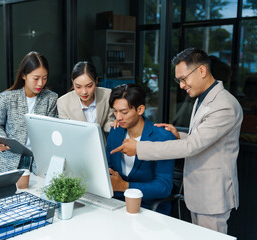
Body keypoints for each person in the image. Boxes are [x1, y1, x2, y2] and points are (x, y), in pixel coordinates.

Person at [111, 48, 243, 234]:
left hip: (212, 194)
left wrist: (139, 148)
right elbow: (204, 138)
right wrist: (179, 135)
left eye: (183, 79)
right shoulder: (203, 98)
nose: (181, 85)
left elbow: (192, 147)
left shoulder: (224, 106)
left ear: (202, 71)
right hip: (198, 191)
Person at [106, 84, 175, 215]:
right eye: (115, 111)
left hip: (147, 207)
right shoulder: (115, 132)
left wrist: (125, 186)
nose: (118, 117)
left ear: (140, 109)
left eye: (124, 112)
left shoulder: (162, 137)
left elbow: (164, 187)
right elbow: (107, 168)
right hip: (116, 203)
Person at [0, 51, 58, 173]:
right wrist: (2, 139)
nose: (40, 83)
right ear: (23, 75)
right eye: (36, 78)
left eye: (44, 78)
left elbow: (50, 131)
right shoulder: (6, 98)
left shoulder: (51, 98)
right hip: (8, 160)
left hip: (38, 162)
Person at [57, 61, 114, 133]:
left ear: (96, 81)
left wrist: (113, 125)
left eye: (89, 86)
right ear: (73, 82)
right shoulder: (63, 103)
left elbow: (108, 122)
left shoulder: (107, 95)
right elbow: (66, 131)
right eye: (78, 87)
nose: (84, 92)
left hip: (99, 142)